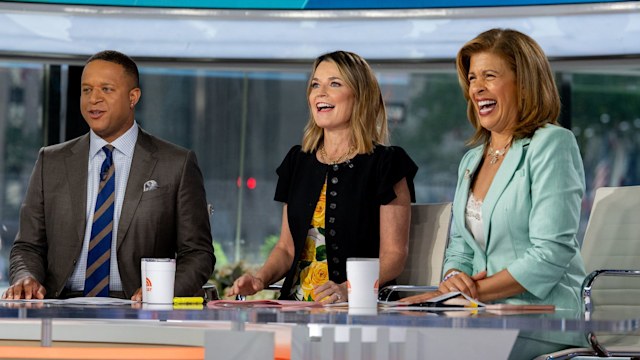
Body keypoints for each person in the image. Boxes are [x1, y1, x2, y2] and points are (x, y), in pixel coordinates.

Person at [402, 28, 587, 358]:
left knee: (437, 348)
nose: (477, 88)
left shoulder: (551, 144)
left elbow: (552, 252)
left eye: (490, 75)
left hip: (545, 314)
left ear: (524, 83)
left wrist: (473, 294)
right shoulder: (472, 159)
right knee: (400, 338)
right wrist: (454, 279)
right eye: (473, 78)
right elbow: (461, 247)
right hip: (482, 311)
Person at [2, 50, 215, 300]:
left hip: (137, 308)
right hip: (60, 304)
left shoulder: (176, 163)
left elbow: (198, 253)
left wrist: (158, 293)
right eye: (87, 90)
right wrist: (26, 277)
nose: (94, 99)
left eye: (106, 89)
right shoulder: (51, 161)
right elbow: (27, 246)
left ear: (133, 97)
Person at [230, 50, 417, 303]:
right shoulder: (297, 160)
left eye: (335, 84)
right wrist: (260, 279)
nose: (320, 92)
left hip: (359, 307)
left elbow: (394, 256)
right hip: (295, 306)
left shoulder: (386, 163)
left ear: (360, 95)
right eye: (315, 84)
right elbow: (286, 248)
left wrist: (347, 289)